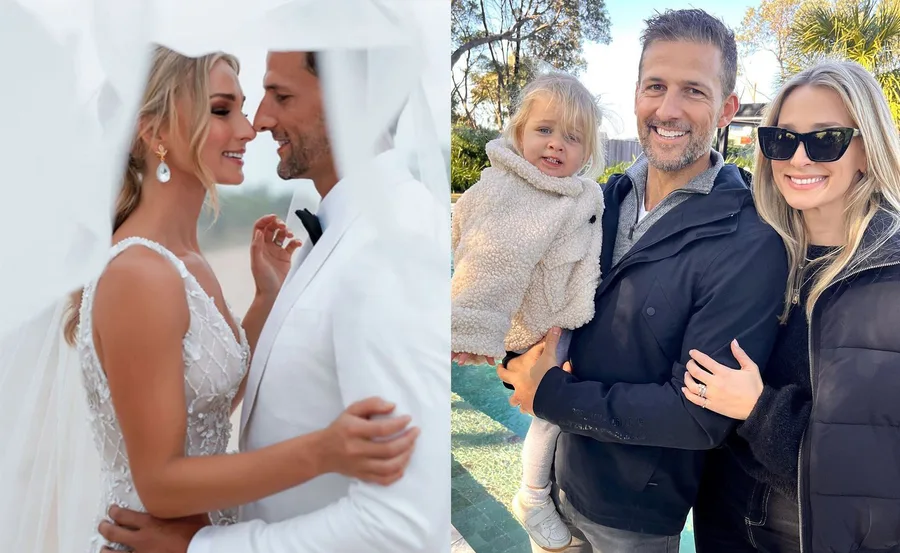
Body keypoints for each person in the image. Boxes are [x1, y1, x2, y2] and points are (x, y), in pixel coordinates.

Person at [68, 46, 418, 552]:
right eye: (220, 110)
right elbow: (159, 484)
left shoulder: (184, 258)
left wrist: (266, 299)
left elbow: (204, 396)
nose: (249, 128)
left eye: (245, 105)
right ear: (155, 132)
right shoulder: (140, 274)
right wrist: (324, 451)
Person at [497, 9, 788, 552]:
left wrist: (550, 394)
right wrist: (511, 357)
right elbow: (535, 297)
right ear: (635, 94)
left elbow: (699, 415)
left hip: (633, 515)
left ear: (727, 108)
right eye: (655, 86)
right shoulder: (598, 201)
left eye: (693, 91)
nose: (668, 109)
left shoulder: (750, 240)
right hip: (554, 481)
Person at [683, 60, 900, 553]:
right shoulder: (759, 252)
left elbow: (879, 462)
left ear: (867, 148)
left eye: (826, 140)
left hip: (807, 533)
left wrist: (758, 410)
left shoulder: (889, 276)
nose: (798, 159)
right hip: (721, 515)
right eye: (782, 140)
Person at [451, 71, 605, 550]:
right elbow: (488, 263)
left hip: (559, 324)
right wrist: (472, 330)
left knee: (563, 413)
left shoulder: (575, 194)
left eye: (572, 137)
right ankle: (533, 495)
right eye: (545, 130)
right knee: (548, 415)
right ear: (519, 132)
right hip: (530, 335)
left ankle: (547, 491)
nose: (556, 145)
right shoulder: (514, 191)